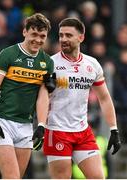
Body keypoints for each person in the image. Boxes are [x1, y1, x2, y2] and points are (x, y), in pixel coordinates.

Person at [43, 18, 121, 179]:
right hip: (57, 130)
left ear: (81, 38)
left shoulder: (92, 64)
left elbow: (105, 98)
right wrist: (40, 124)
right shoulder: (50, 63)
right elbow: (42, 97)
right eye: (61, 35)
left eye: (69, 35)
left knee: (98, 177)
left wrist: (114, 128)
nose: (63, 39)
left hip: (82, 131)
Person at [0, 13, 55, 179]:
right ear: (25, 32)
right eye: (34, 34)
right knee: (12, 176)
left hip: (25, 126)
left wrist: (41, 125)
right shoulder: (8, 54)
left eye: (42, 36)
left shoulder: (48, 62)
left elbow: (43, 97)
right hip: (2, 122)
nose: (38, 39)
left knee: (17, 177)